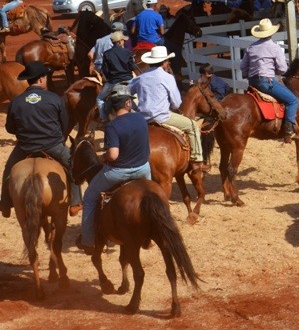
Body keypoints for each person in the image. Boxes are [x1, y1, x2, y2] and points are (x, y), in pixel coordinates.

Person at [0, 62, 79, 218]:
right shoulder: (54, 98)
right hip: (53, 146)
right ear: (42, 79)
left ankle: (5, 204)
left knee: (8, 171)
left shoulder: (16, 101)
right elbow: (64, 124)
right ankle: (76, 202)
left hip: (25, 147)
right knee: (73, 166)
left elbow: (9, 128)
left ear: (28, 80)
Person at [77, 92, 151, 255]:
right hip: (143, 169)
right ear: (127, 104)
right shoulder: (140, 118)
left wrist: (103, 158)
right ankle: (149, 237)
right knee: (152, 198)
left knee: (89, 198)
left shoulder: (112, 126)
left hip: (119, 172)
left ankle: (88, 241)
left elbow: (113, 155)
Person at [129, 46, 205, 172]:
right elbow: (176, 103)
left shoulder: (140, 78)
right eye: (167, 61)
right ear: (164, 62)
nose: (168, 63)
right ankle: (197, 161)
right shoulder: (167, 77)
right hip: (162, 117)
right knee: (193, 126)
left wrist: (135, 108)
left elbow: (126, 94)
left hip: (143, 118)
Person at [241, 18, 299, 138]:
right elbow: (283, 68)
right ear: (271, 32)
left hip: (252, 82)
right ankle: (288, 127)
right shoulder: (275, 48)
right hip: (266, 82)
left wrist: (247, 74)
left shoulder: (251, 47)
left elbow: (243, 67)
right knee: (292, 100)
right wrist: (276, 72)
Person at [97, 31, 138, 121]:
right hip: (129, 81)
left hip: (113, 82)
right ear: (119, 42)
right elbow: (132, 67)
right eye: (123, 40)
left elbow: (105, 70)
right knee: (139, 93)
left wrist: (110, 78)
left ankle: (103, 118)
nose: (124, 42)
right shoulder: (128, 52)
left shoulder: (107, 54)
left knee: (100, 99)